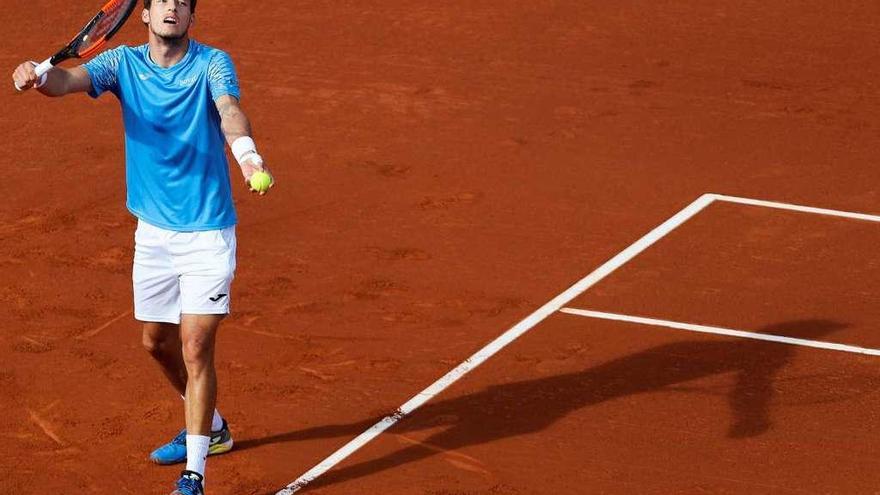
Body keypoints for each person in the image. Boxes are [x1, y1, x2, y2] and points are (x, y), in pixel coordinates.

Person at [11, 0, 273, 493]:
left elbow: (230, 110)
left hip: (207, 233)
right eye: (162, 1)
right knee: (156, 343)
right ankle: (213, 428)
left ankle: (194, 474)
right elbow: (66, 83)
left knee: (196, 347)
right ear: (145, 16)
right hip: (152, 234)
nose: (173, 7)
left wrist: (248, 158)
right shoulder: (121, 63)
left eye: (183, 3)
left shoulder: (213, 63)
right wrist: (38, 77)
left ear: (191, 19)